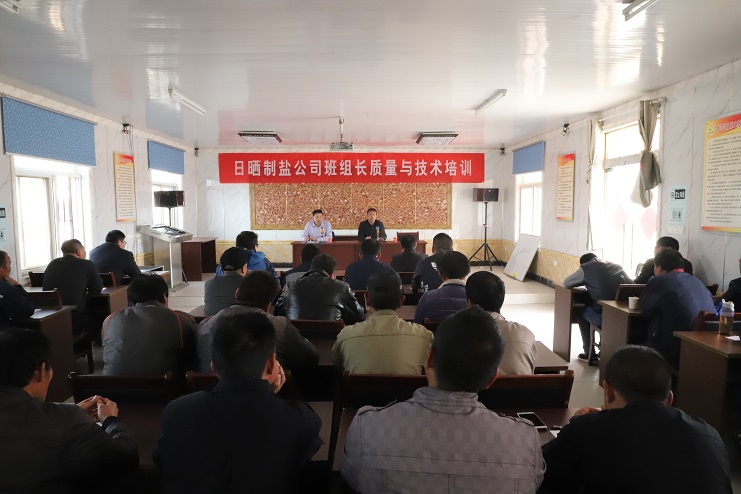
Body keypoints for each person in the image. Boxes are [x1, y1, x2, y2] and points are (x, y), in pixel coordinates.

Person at [342, 306, 545, 492]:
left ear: (429, 359)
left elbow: (350, 478)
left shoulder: (367, 428)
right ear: (491, 379)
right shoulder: (525, 441)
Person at [154, 311, 322, 494]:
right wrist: (268, 396)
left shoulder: (177, 412)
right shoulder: (301, 421)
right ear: (271, 363)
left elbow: (161, 459)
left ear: (213, 366)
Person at [541, 345, 732, 494]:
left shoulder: (586, 430)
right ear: (669, 399)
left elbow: (537, 470)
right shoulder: (709, 434)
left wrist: (574, 428)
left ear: (608, 392)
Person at [0, 327, 138, 492]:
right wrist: (110, 420)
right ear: (39, 372)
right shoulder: (67, 420)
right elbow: (126, 457)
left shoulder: (65, 417)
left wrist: (68, 411)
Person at [197, 270, 318, 373]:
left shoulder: (205, 325)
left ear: (237, 293)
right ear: (269, 304)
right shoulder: (280, 326)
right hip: (269, 391)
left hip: (211, 391)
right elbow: (310, 358)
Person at [333, 271, 433, 374]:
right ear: (401, 300)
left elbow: (337, 367)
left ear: (366, 299)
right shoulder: (424, 337)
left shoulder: (345, 336)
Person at [102, 274, 196, 375]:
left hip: (112, 384)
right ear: (164, 297)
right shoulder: (180, 320)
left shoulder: (109, 320)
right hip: (164, 384)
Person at [639, 248, 715, 367]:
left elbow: (644, 309)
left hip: (674, 346)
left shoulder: (658, 281)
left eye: (655, 267)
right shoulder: (697, 281)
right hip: (705, 346)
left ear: (659, 267)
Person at [564, 253, 632, 364]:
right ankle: (602, 349)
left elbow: (567, 283)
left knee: (580, 311)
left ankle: (589, 353)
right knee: (600, 305)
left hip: (602, 317)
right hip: (622, 316)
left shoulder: (586, 268)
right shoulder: (615, 266)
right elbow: (631, 284)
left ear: (583, 263)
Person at [466, 270, 537, 375]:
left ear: (469, 302)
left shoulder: (458, 332)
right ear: (501, 300)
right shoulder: (525, 334)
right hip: (521, 386)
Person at [274, 253, 364, 325]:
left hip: (296, 340)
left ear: (312, 268)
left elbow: (277, 312)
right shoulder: (342, 287)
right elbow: (358, 316)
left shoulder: (290, 286)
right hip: (330, 340)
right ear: (333, 274)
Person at [42, 239, 104, 338]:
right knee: (99, 319)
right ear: (78, 251)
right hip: (72, 317)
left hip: (48, 317)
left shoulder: (52, 264)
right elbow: (97, 288)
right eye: (83, 250)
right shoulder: (87, 264)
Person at [414, 250, 470, 323]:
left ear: (440, 273)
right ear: (467, 273)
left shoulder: (427, 298)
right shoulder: (475, 299)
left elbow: (417, 324)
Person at [204, 247, 250, 316]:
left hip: (212, 322)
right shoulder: (248, 285)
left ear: (221, 269)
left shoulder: (209, 283)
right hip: (239, 322)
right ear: (243, 268)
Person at [0, 251, 34, 329]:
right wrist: (17, 285)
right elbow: (28, 310)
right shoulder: (5, 288)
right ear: (0, 270)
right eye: (9, 265)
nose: (10, 269)